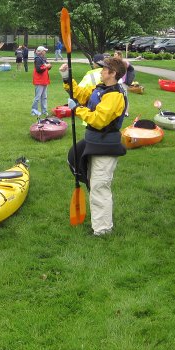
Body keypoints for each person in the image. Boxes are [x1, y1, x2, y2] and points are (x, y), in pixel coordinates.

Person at [60, 56, 128, 237]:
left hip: (106, 146)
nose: (101, 71)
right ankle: (100, 224)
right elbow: (81, 95)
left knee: (99, 186)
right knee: (95, 184)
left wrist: (77, 110)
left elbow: (99, 120)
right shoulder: (100, 88)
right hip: (95, 143)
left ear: (113, 74)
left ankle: (103, 229)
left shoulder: (115, 95)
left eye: (104, 69)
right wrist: (67, 78)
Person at [31, 45, 52, 117]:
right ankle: (34, 111)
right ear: (41, 52)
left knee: (44, 97)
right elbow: (38, 69)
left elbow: (47, 67)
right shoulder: (37, 59)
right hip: (39, 81)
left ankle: (44, 111)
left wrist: (49, 66)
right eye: (44, 51)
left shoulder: (43, 58)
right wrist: (46, 66)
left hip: (44, 80)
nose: (45, 52)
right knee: (37, 97)